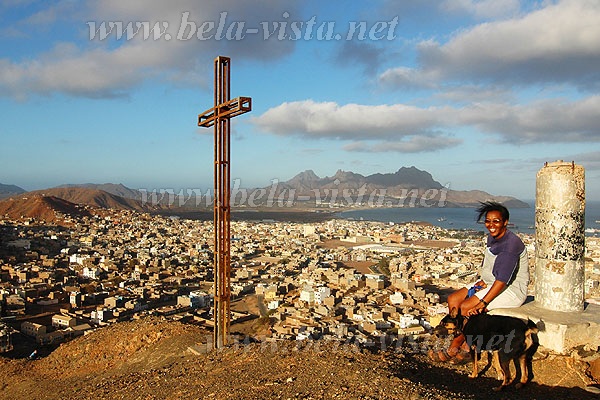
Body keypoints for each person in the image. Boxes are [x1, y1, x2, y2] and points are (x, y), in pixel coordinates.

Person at [430, 201, 530, 363]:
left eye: (496, 221)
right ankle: (461, 335)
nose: (491, 225)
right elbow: (493, 269)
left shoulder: (510, 245)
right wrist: (483, 281)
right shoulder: (493, 238)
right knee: (453, 300)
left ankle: (462, 345)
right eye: (488, 221)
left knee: (465, 306)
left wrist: (483, 302)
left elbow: (503, 280)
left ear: (505, 222)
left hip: (510, 289)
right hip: (491, 283)